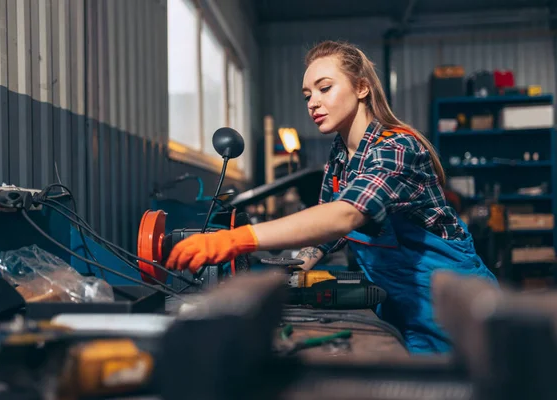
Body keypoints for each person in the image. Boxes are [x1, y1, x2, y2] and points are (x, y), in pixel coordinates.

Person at [165, 40, 497, 354]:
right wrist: (288, 274)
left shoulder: (397, 148)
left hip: (453, 308)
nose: (313, 102)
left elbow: (345, 215)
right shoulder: (339, 160)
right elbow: (327, 233)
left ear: (362, 87)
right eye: (307, 94)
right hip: (400, 307)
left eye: (325, 88)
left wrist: (238, 240)